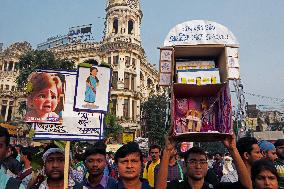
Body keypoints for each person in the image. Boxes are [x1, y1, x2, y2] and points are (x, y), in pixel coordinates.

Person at [156, 134, 253, 189]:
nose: (198, 166)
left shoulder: (215, 187)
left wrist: (233, 149)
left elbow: (247, 186)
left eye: (202, 162)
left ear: (207, 166)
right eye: (193, 161)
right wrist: (167, 151)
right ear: (184, 166)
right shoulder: (177, 186)